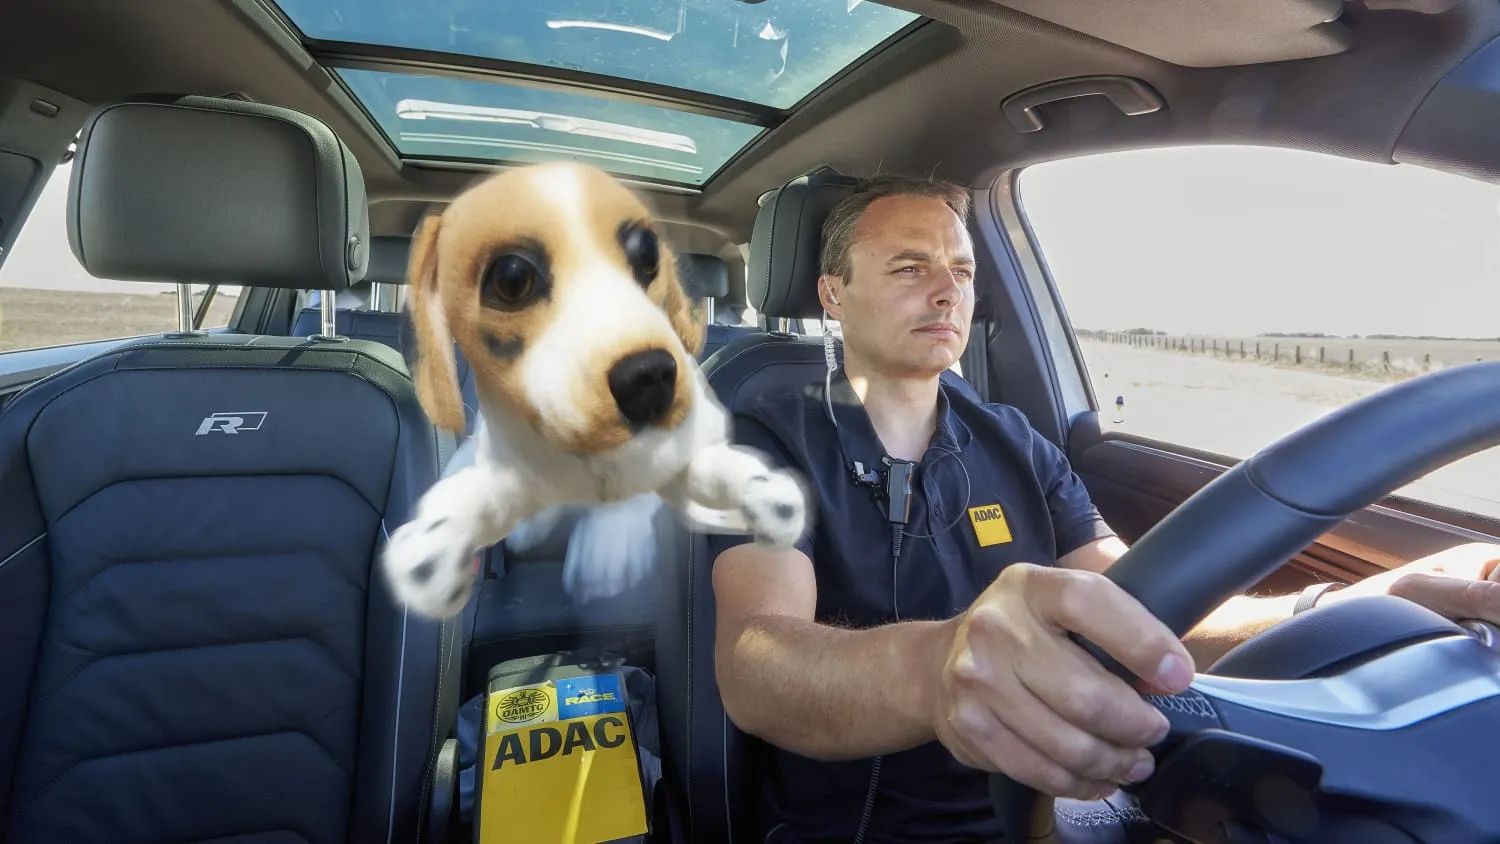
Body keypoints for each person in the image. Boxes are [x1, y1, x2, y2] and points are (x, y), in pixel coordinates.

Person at [704, 174, 1500, 843]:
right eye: (909, 268)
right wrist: (935, 669)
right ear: (832, 294)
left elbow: (1145, 611)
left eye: (961, 267)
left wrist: (1351, 605)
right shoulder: (766, 436)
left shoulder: (1015, 440)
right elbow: (756, 663)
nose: (948, 290)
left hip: (1055, 810)